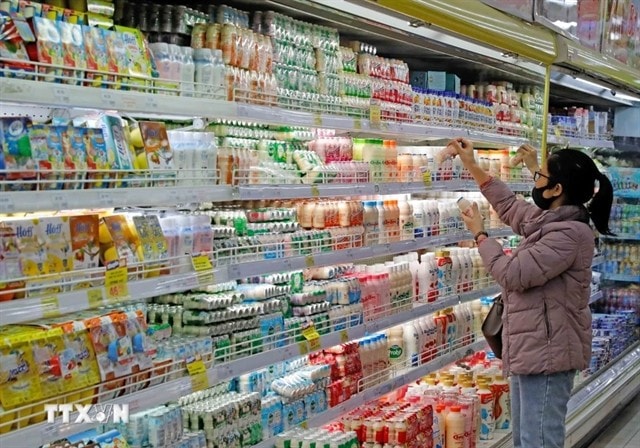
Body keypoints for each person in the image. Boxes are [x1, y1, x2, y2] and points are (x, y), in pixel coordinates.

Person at [447, 138, 614, 448]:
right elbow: (511, 206)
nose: (535, 179)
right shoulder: (553, 219)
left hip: (548, 352)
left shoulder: (569, 234)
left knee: (539, 440)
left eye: (540, 176)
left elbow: (512, 275)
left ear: (556, 190)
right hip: (532, 345)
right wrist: (471, 164)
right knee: (527, 440)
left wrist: (481, 236)